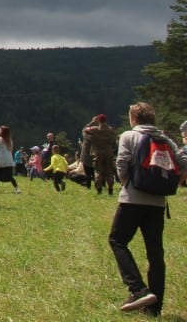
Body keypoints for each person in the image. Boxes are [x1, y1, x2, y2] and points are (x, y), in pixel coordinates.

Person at [109, 102, 187, 315]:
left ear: (134, 118)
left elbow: (121, 163)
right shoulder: (165, 139)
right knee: (155, 252)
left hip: (132, 199)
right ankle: (154, 308)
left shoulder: (128, 136)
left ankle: (138, 290)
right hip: (158, 202)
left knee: (117, 240)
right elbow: (183, 164)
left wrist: (126, 184)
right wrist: (174, 183)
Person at [84, 113, 118, 195]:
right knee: (109, 170)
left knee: (98, 170)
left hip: (97, 153)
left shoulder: (94, 129)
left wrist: (92, 122)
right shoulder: (111, 130)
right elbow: (114, 140)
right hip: (108, 152)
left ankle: (99, 189)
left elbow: (85, 130)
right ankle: (110, 189)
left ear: (98, 120)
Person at [0, 125, 21, 193]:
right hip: (9, 161)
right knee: (9, 176)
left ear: (2, 132)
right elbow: (10, 150)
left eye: (0, 130)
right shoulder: (10, 141)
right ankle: (17, 188)